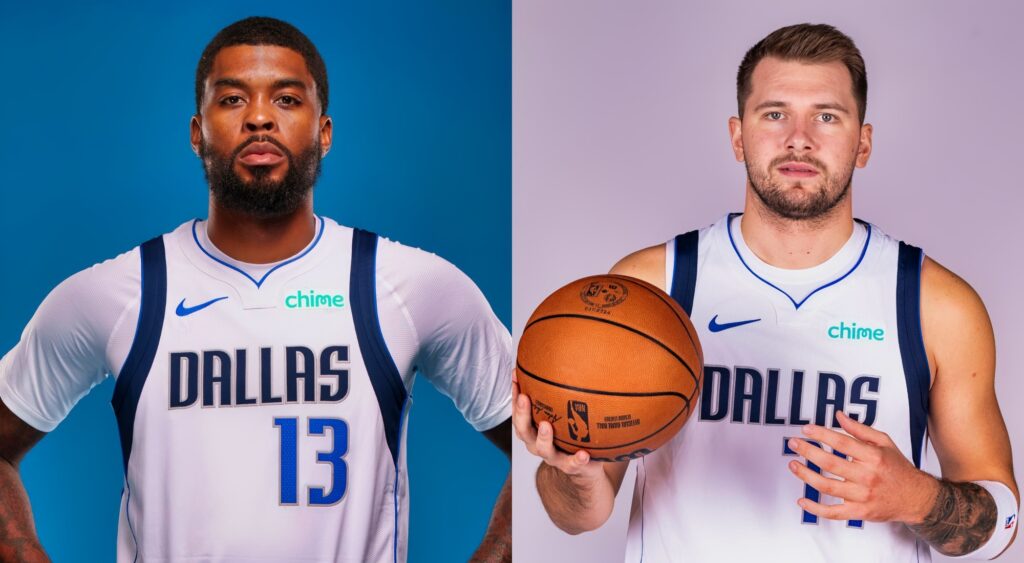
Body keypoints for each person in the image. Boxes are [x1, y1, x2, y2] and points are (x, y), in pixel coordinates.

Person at [0, 17, 511, 563]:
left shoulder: (408, 286)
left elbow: (548, 447)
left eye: (288, 99)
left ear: (324, 131)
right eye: (233, 99)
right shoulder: (121, 292)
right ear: (198, 131)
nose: (260, 117)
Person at [514, 23, 1017, 562]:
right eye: (774, 114)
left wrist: (916, 497)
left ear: (863, 143)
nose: (799, 137)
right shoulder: (653, 287)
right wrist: (572, 472)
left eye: (827, 116)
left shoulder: (932, 304)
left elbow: (1002, 522)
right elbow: (582, 516)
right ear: (738, 136)